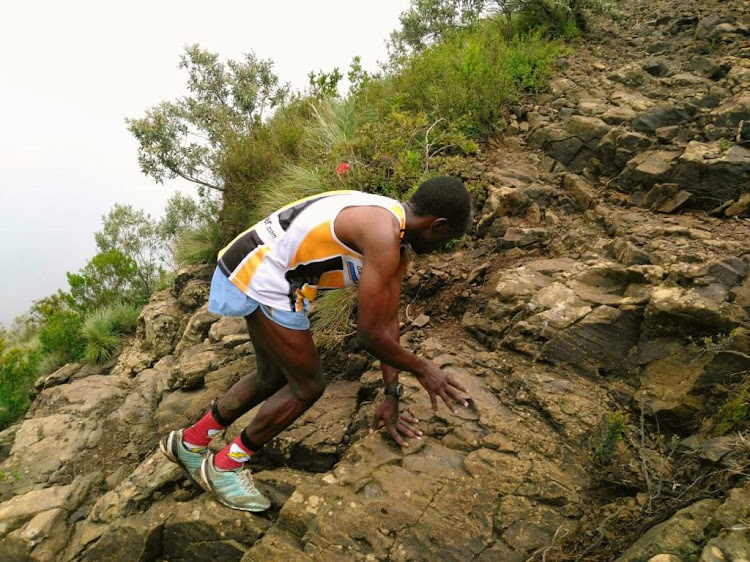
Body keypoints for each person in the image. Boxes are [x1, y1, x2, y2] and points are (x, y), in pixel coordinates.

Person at [160, 176, 473, 512]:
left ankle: (190, 443)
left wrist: (392, 394)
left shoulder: (394, 238)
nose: (444, 249)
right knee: (307, 386)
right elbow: (368, 335)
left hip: (260, 265)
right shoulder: (382, 233)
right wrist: (425, 370)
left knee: (272, 378)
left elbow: (387, 323)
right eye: (448, 239)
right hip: (265, 273)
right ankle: (225, 466)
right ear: (437, 225)